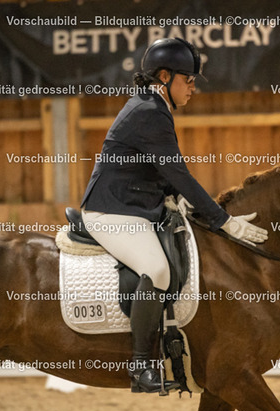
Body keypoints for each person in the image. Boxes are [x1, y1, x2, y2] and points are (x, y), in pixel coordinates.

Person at [80, 38, 268, 393]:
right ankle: (141, 366)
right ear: (164, 77)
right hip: (112, 211)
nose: (193, 88)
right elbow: (178, 173)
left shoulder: (154, 105)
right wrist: (223, 221)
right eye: (188, 79)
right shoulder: (150, 111)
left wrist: (183, 201)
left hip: (135, 208)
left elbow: (164, 172)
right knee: (157, 270)